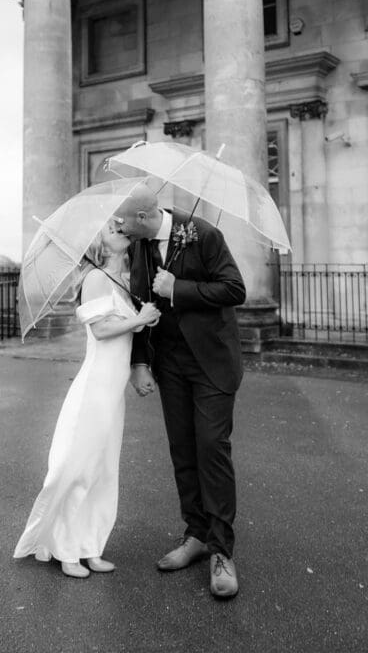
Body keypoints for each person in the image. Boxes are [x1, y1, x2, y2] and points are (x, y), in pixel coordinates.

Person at [114, 183, 246, 599]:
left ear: (143, 217)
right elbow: (139, 302)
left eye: (124, 223)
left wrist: (180, 290)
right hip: (169, 363)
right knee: (183, 451)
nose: (120, 231)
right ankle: (196, 535)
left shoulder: (204, 234)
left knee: (211, 447)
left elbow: (234, 289)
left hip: (211, 362)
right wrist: (138, 363)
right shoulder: (139, 245)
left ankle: (222, 551)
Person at [13, 220, 161, 579]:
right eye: (112, 228)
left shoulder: (123, 281)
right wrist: (138, 319)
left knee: (103, 470)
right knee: (78, 467)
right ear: (101, 244)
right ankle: (65, 551)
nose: (121, 229)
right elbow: (101, 329)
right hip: (94, 389)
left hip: (112, 392)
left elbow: (127, 327)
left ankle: (91, 547)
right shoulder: (95, 278)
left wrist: (144, 319)